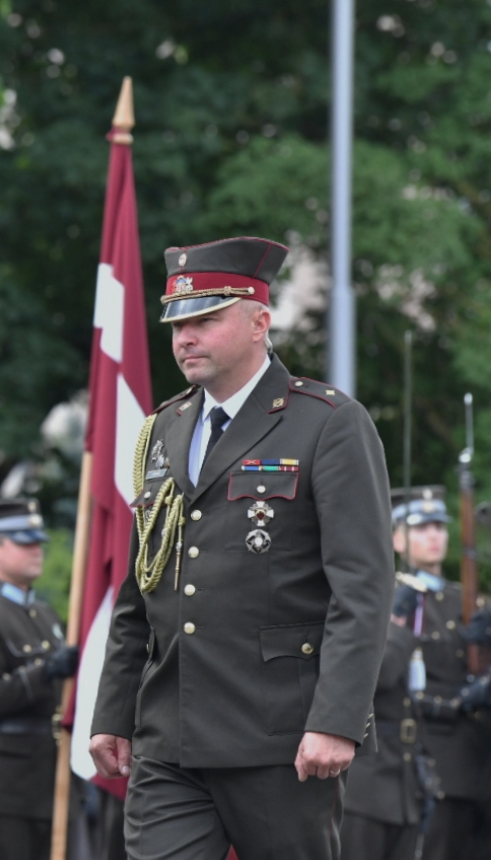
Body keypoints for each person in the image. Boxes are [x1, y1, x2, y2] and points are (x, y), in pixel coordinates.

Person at [89, 237, 393, 859]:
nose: (185, 338)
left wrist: (337, 720)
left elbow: (362, 587)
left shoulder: (326, 422)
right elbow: (144, 582)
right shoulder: (164, 427)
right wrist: (112, 712)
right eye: (178, 325)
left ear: (260, 322)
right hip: (171, 736)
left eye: (205, 320)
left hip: (280, 735)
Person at [0, 498, 78, 860]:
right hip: (1, 787)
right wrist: (45, 672)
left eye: (38, 541)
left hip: (48, 779)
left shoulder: (44, 613)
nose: (37, 549)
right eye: (24, 542)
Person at [385, 486, 491, 859]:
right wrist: (457, 702)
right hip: (430, 760)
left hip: (480, 763)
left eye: (439, 526)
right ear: (398, 540)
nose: (434, 535)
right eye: (421, 527)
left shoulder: (471, 600)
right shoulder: (395, 599)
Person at [338, 614, 429, 860]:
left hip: (403, 787)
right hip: (366, 787)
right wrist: (396, 632)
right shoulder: (364, 630)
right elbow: (384, 673)